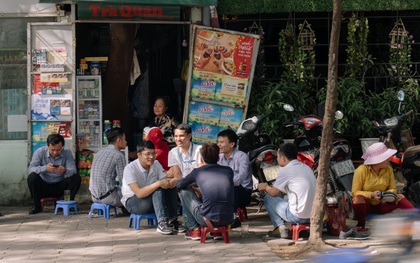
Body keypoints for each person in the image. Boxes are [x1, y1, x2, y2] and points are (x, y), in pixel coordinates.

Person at [177, 143, 234, 240]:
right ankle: (217, 233)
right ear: (218, 158)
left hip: (207, 219)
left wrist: (193, 187)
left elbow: (179, 185)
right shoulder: (228, 170)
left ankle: (195, 230)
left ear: (201, 159)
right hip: (228, 218)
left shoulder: (198, 171)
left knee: (184, 191)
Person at [257, 143, 316, 239]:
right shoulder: (306, 167)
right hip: (312, 215)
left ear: (283, 158)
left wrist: (266, 186)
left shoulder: (284, 170)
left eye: (278, 156)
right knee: (285, 197)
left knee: (268, 198)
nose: (277, 159)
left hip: (298, 216)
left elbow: (273, 193)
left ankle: (280, 227)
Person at [351, 142, 415, 230]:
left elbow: (393, 188)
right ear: (378, 160)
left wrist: (387, 195)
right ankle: (361, 224)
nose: (389, 159)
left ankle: (415, 220)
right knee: (357, 198)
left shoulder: (388, 169)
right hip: (367, 205)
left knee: (400, 197)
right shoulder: (361, 171)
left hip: (383, 203)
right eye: (386, 157)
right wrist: (372, 195)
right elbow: (355, 192)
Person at [121, 140, 179, 235]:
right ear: (139, 155)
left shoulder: (156, 164)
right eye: (147, 154)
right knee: (158, 188)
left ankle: (173, 221)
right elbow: (139, 193)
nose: (151, 157)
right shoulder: (130, 168)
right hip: (133, 202)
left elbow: (164, 183)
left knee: (170, 188)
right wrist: (159, 183)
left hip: (151, 200)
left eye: (153, 153)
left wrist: (171, 182)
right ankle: (162, 223)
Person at [27, 133, 81, 215]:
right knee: (32, 177)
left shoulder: (67, 153)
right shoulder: (40, 152)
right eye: (52, 150)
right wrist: (45, 168)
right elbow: (31, 169)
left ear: (62, 147)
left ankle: (67, 204)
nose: (55, 152)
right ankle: (36, 206)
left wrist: (65, 170)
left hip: (60, 186)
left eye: (58, 150)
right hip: (43, 186)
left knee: (76, 178)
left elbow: (73, 170)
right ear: (48, 146)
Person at [217, 129, 252, 228]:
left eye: (222, 142)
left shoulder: (242, 156)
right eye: (218, 142)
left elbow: (241, 177)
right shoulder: (219, 158)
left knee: (232, 185)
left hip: (243, 193)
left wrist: (225, 184)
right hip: (225, 192)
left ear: (232, 144)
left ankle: (232, 218)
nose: (219, 145)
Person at [89, 127, 127, 209]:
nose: (126, 142)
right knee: (133, 193)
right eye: (125, 139)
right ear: (119, 140)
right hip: (108, 198)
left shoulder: (99, 152)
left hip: (94, 197)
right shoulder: (118, 155)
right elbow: (124, 180)